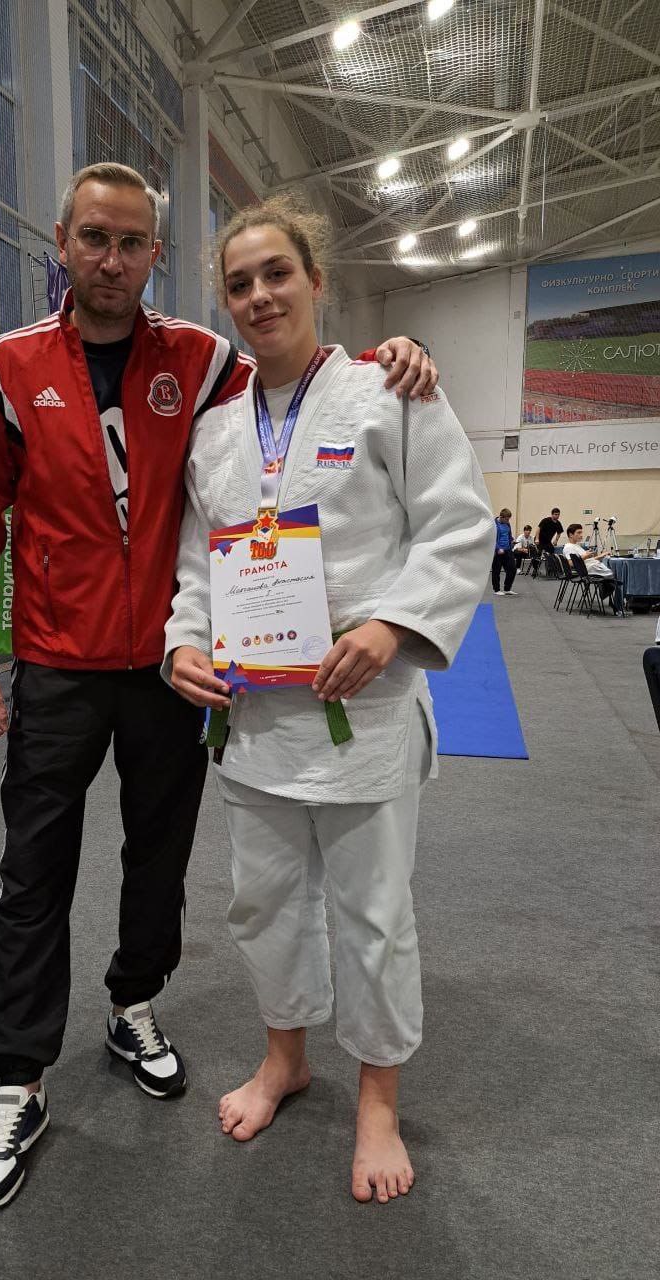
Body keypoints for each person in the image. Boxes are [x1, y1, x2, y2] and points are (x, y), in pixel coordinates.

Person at [0, 161, 439, 1212]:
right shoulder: (6, 371)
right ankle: (18, 1077)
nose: (111, 259)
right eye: (94, 238)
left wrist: (397, 354)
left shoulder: (202, 362)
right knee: (34, 873)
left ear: (155, 256)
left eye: (132, 243)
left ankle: (134, 1003)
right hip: (61, 664)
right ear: (62, 244)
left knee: (158, 860)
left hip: (174, 673)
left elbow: (297, 386)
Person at [164, 195, 493, 1205]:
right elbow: (196, 566)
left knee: (373, 914)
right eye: (239, 283)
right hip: (255, 721)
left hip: (365, 710)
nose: (260, 295)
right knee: (262, 903)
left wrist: (393, 624)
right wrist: (183, 642)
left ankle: (379, 1098)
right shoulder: (215, 434)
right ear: (226, 301)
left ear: (314, 279)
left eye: (277, 273)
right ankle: (286, 1059)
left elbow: (457, 526)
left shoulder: (390, 391)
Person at [561, 523, 621, 613]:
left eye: (581, 532)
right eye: (578, 533)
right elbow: (571, 563)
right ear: (570, 534)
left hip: (589, 567)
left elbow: (586, 560)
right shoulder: (569, 548)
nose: (581, 535)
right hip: (587, 570)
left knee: (613, 574)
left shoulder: (575, 546)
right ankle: (617, 603)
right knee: (617, 575)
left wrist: (601, 556)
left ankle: (612, 598)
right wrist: (586, 556)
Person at [492, 507, 517, 595]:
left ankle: (507, 589)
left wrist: (512, 540)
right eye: (506, 519)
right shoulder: (494, 524)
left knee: (512, 569)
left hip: (507, 550)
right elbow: (492, 539)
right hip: (498, 551)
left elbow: (509, 535)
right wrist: (498, 548)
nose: (508, 521)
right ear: (501, 517)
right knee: (496, 571)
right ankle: (497, 590)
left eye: (509, 519)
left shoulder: (507, 524)